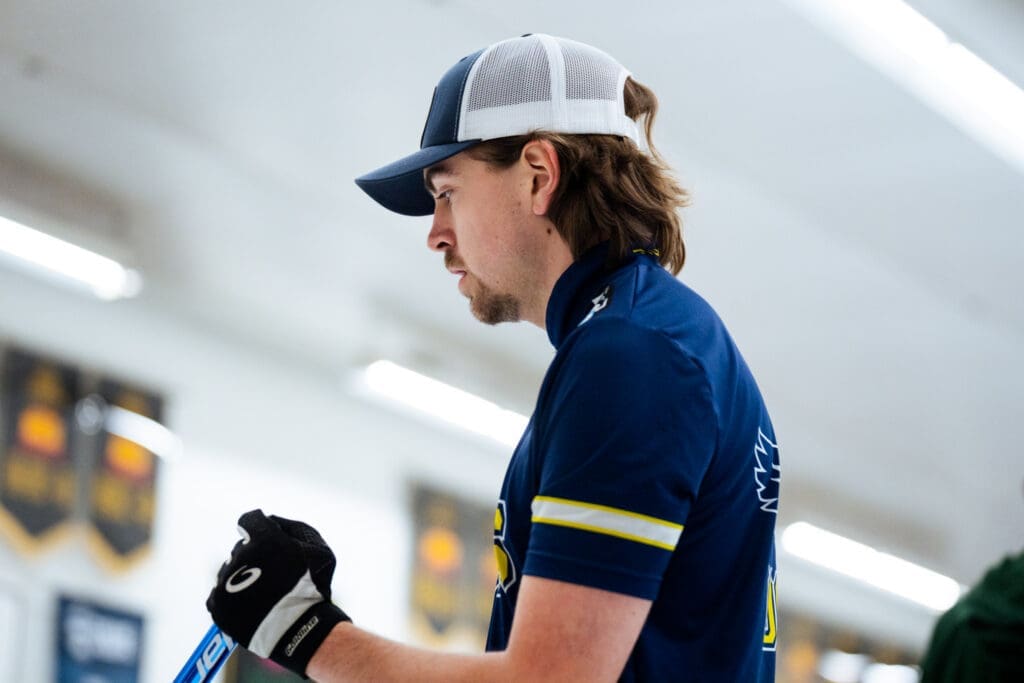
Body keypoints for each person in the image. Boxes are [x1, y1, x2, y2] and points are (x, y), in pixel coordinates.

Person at [207, 33, 781, 682]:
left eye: (447, 192)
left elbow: (548, 679)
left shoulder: (633, 357)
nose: (435, 234)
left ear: (539, 175)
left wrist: (306, 632)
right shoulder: (652, 338)